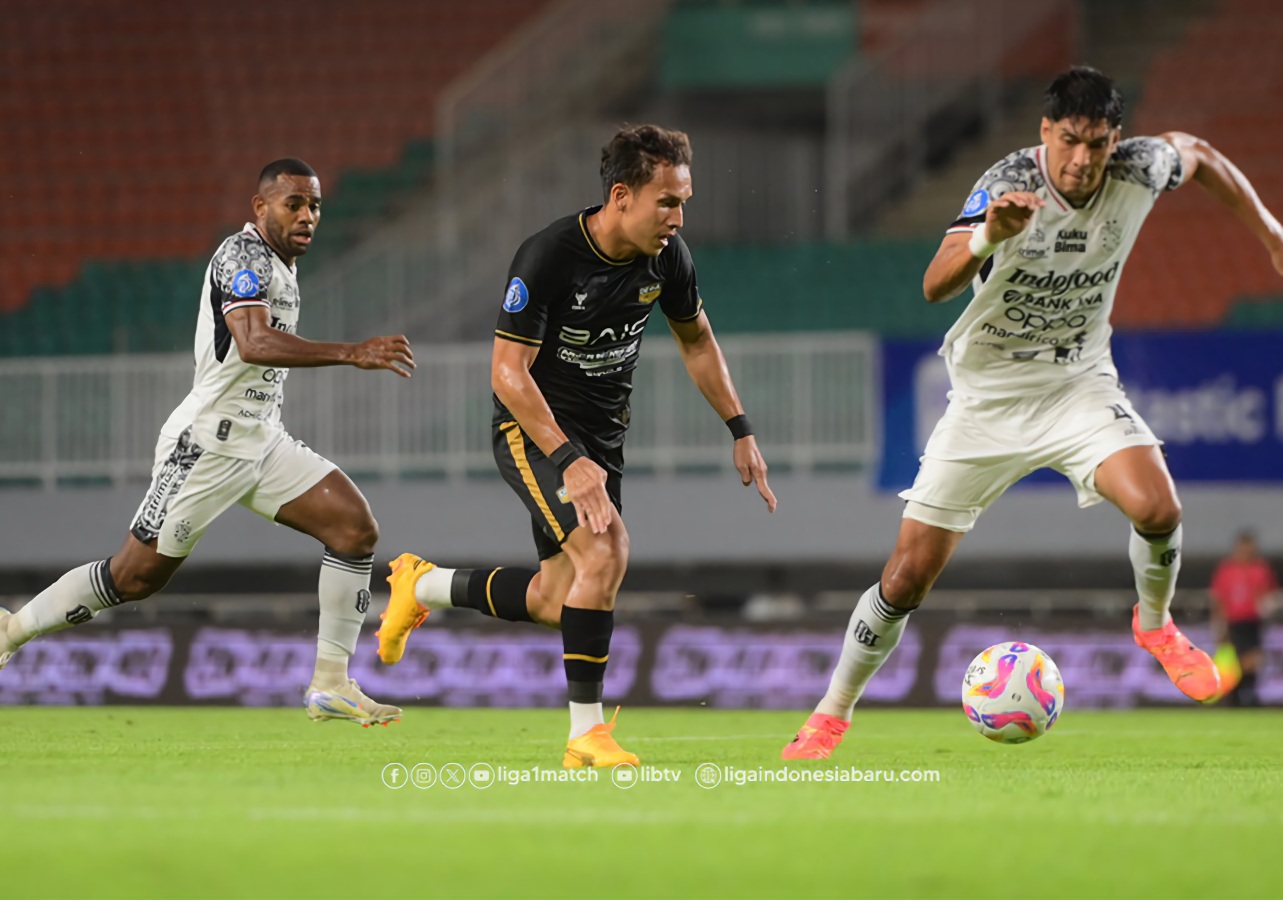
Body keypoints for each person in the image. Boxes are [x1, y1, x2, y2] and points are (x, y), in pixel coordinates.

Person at [783, 66, 1283, 759]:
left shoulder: (1140, 168)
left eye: (1096, 143)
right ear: (1046, 132)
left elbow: (1204, 155)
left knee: (1159, 508)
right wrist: (987, 236)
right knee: (905, 578)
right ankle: (831, 713)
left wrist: (1276, 239)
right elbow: (934, 284)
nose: (1081, 159)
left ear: (1115, 140)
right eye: (1069, 140)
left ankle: (1155, 624)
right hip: (986, 402)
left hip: (1077, 386)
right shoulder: (1010, 182)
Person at [376, 125, 777, 767]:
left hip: (603, 438)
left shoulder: (669, 258)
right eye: (667, 202)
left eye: (683, 202)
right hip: (535, 430)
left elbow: (697, 340)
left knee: (554, 598)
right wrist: (569, 460)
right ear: (622, 196)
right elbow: (507, 373)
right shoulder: (549, 256)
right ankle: (585, 736)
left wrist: (741, 428)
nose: (678, 218)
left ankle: (422, 586)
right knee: (607, 549)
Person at [0, 159, 416, 727]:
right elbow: (253, 343)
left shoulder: (282, 266)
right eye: (294, 203)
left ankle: (330, 684)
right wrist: (352, 352)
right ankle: (12, 630)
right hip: (207, 445)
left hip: (262, 440)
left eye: (315, 205)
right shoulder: (241, 255)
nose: (307, 216)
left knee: (353, 527)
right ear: (260, 207)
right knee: (134, 578)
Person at [1210, 531, 1279, 707]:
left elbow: (1271, 594)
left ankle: (1244, 694)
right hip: (1232, 622)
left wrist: (1266, 606)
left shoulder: (1261, 569)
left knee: (1253, 659)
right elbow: (1218, 599)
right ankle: (1233, 695)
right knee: (1236, 659)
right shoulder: (1227, 570)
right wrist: (1218, 624)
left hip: (1252, 621)